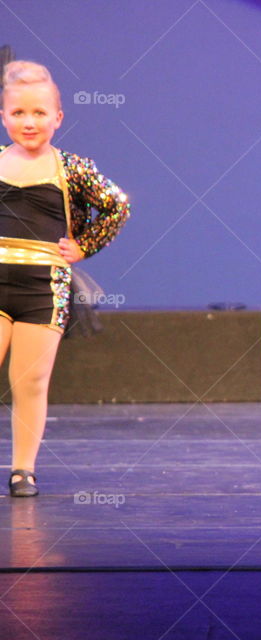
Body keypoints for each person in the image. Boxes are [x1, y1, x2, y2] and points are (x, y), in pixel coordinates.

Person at [0, 54, 130, 496]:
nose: (29, 122)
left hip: (44, 288)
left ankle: (23, 469)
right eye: (18, 112)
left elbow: (117, 204)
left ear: (57, 117)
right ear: (3, 116)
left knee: (31, 380)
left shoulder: (71, 168)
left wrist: (85, 245)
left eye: (39, 112)